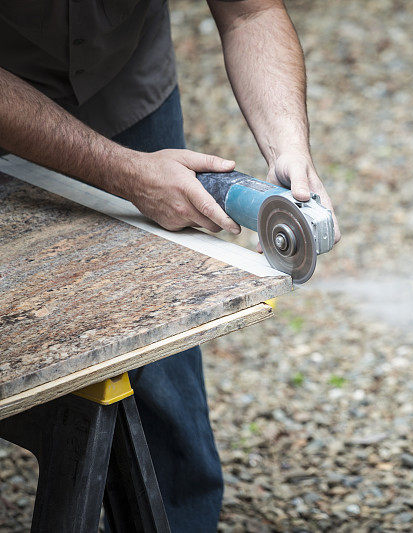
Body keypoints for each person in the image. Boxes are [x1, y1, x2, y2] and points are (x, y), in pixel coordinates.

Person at [0, 1, 339, 530]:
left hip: (127, 90)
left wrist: (288, 147)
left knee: (165, 349)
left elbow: (251, 13)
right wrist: (124, 172)